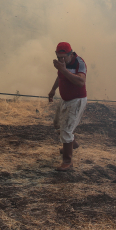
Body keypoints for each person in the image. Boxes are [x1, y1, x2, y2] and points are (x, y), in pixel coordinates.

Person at [48, 42, 87, 171]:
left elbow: (81, 82)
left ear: (71, 54)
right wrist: (53, 90)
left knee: (66, 130)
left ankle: (67, 162)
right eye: (59, 57)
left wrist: (64, 69)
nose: (62, 60)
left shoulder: (79, 63)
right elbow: (60, 77)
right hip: (65, 99)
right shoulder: (62, 64)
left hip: (76, 100)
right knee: (57, 123)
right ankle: (72, 143)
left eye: (64, 57)